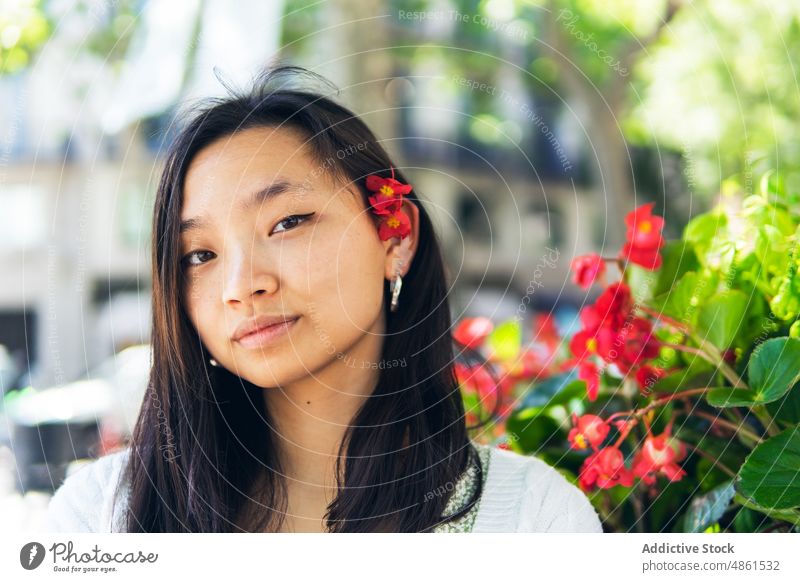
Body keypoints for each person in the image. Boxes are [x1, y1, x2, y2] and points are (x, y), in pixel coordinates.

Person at [45, 65, 603, 533]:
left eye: (287, 222)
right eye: (199, 255)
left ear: (395, 237)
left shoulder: (533, 519)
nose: (243, 285)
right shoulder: (97, 517)